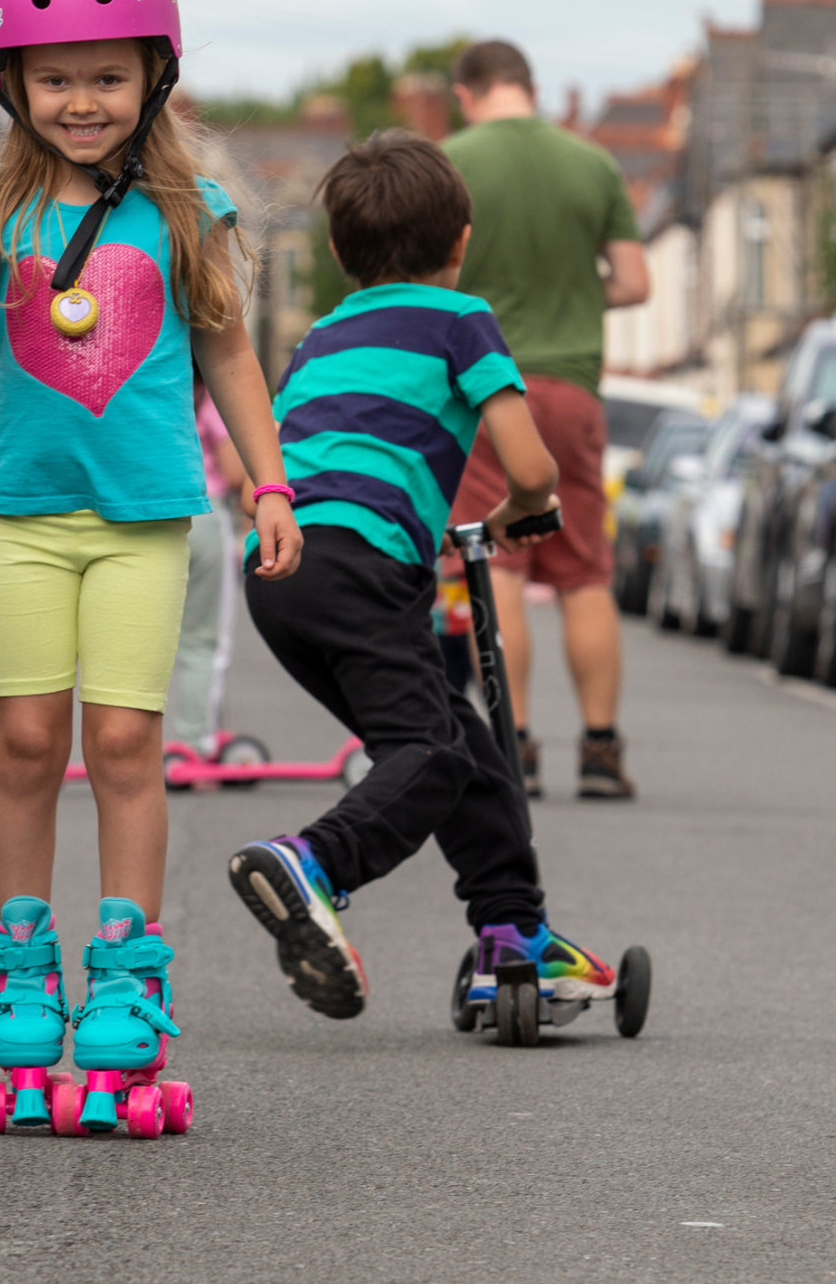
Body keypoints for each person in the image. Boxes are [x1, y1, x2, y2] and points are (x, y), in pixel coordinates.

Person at [0, 0, 300, 1134]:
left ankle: (125, 985)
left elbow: (228, 354)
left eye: (108, 75)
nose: (81, 100)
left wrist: (270, 485)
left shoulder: (190, 208)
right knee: (22, 741)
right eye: (54, 78)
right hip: (21, 521)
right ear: (10, 82)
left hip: (149, 519)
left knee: (120, 743)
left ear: (153, 77)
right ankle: (18, 980)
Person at [227, 131, 634, 1027]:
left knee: (461, 746)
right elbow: (529, 466)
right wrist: (514, 515)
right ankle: (316, 862)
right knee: (436, 752)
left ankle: (510, 930)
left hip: (280, 569)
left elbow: (291, 451)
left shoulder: (321, 335)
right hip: (364, 567)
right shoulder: (461, 321)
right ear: (462, 240)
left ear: (337, 251)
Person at [440, 40, 649, 799]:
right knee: (583, 572)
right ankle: (599, 749)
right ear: (529, 87)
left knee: (495, 565)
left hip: (484, 392)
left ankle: (512, 744)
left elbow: (432, 275)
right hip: (574, 389)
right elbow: (633, 281)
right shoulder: (592, 164)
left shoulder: (451, 161)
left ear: (468, 94)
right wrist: (576, 294)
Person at [164, 386, 247, 759]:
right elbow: (233, 473)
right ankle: (196, 743)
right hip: (203, 513)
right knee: (202, 640)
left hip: (150, 514)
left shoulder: (150, 383)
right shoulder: (207, 398)